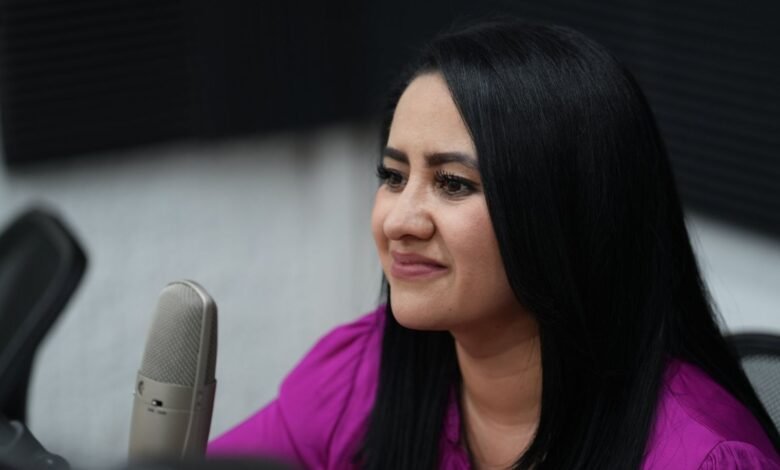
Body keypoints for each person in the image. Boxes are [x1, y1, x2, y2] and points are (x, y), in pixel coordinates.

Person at [208, 19, 780, 469]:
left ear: (566, 213)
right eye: (393, 176)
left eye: (453, 183)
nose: (400, 221)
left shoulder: (701, 457)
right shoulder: (362, 373)